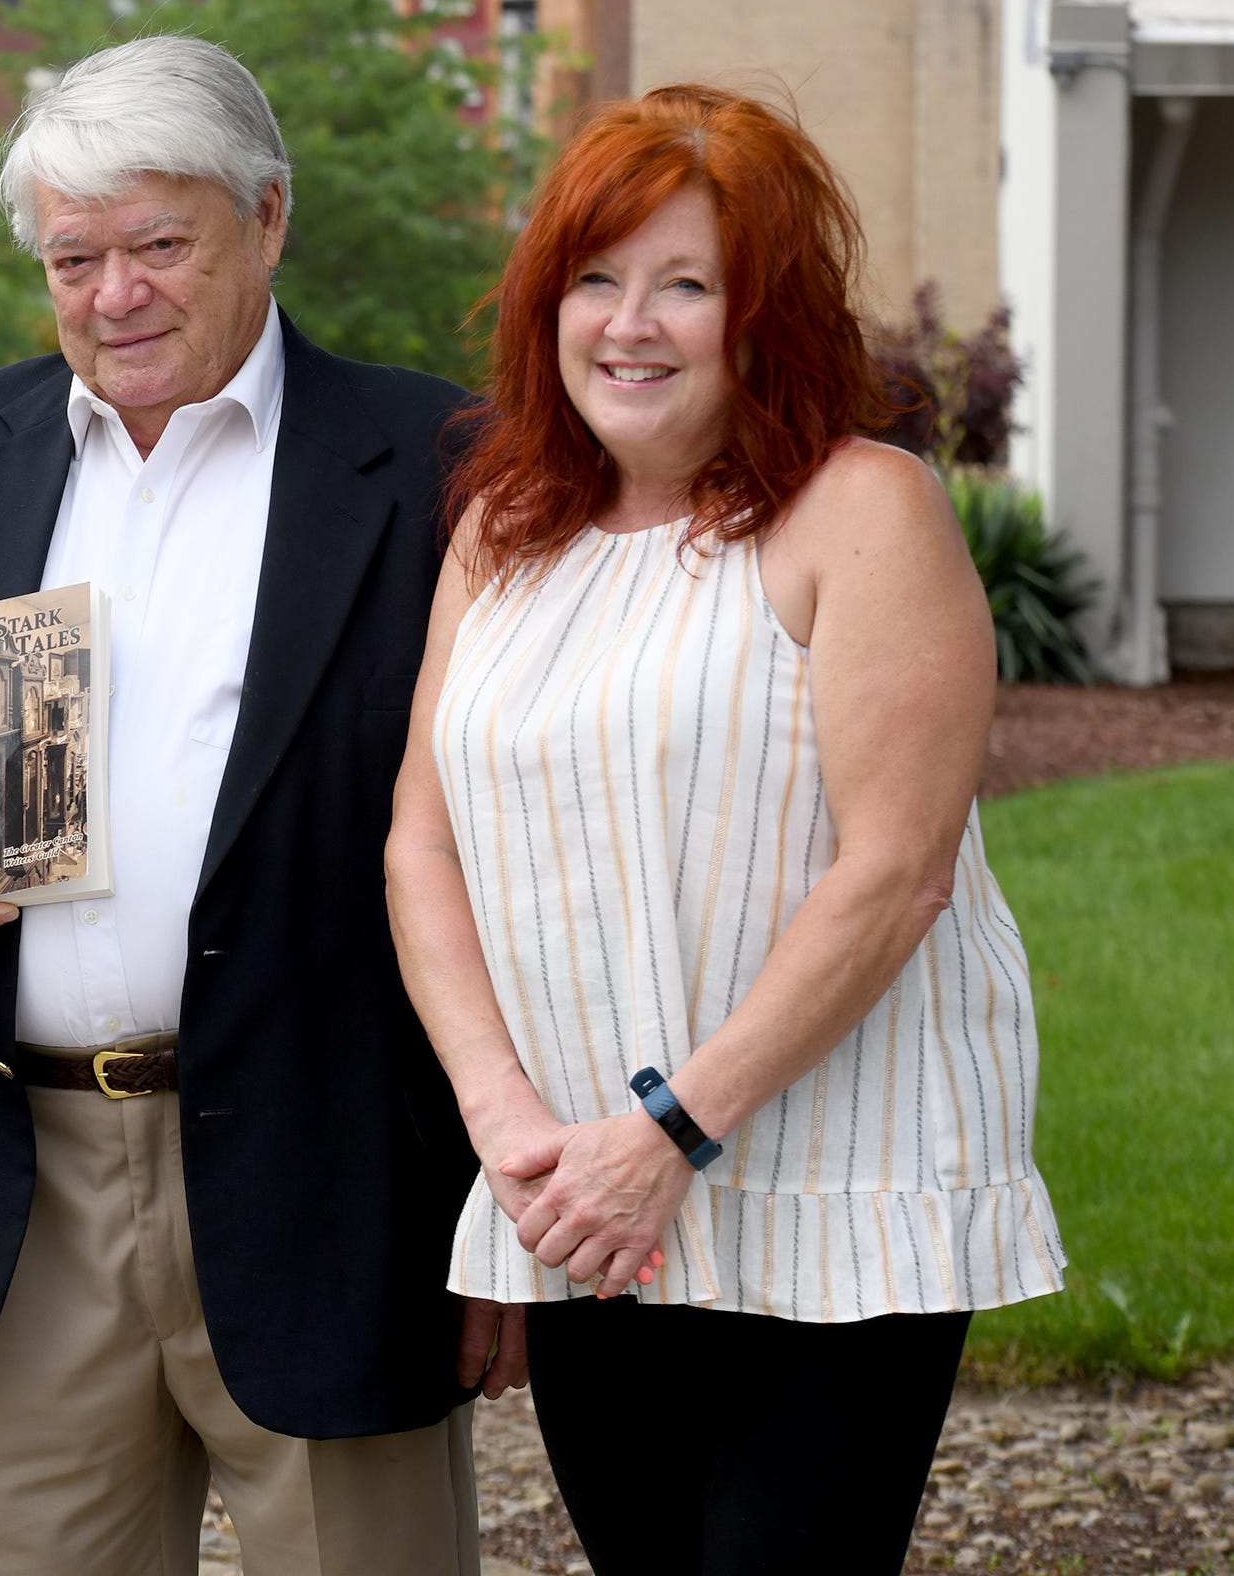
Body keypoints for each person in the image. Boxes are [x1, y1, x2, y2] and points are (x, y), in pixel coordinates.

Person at [0, 35, 502, 1576]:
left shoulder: (440, 463)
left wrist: (500, 1196)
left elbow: (513, 832)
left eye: (161, 244)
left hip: (331, 1177)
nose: (115, 294)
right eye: (75, 257)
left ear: (269, 219)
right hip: (11, 1184)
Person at [384, 85, 1066, 1575]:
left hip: (826, 1179)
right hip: (585, 1187)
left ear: (766, 320)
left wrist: (673, 1130)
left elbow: (897, 876)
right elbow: (418, 846)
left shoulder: (859, 511)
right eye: (597, 280)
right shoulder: (504, 526)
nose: (631, 324)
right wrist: (508, 1124)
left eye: (686, 286)